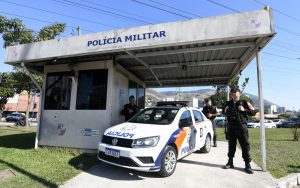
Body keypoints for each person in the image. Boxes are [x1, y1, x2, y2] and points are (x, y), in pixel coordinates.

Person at [223, 88, 256, 174]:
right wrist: (225, 110)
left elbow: (253, 112)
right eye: (232, 92)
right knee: (231, 145)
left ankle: (247, 165)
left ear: (239, 93)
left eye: (235, 92)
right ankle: (230, 162)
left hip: (241, 126)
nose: (233, 93)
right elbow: (223, 112)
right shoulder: (228, 103)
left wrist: (244, 110)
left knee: (245, 145)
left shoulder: (245, 102)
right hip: (231, 126)